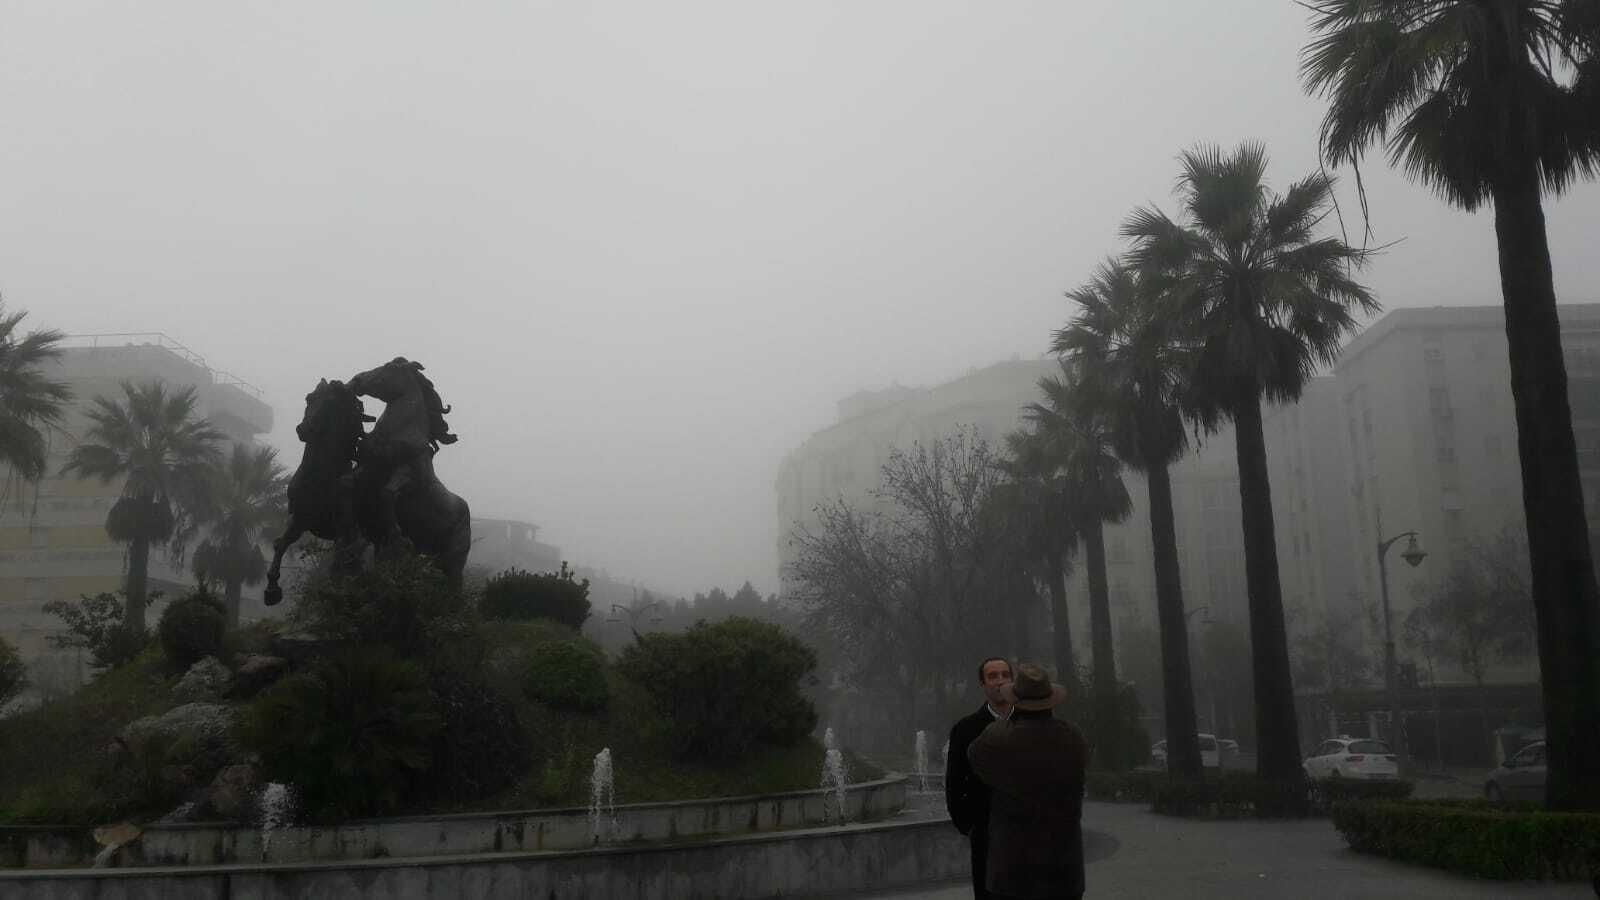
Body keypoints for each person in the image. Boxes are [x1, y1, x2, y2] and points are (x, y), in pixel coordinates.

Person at [967, 663, 1090, 900]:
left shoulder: (996, 738)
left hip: (1013, 872)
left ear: (1015, 701)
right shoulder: (1073, 737)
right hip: (1064, 870)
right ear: (1050, 700)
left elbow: (975, 758)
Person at [945, 656, 1014, 899]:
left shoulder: (1030, 723)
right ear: (982, 685)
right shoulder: (965, 729)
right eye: (993, 676)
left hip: (1028, 835)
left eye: (1005, 675)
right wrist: (970, 826)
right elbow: (953, 784)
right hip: (986, 836)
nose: (1000, 681)